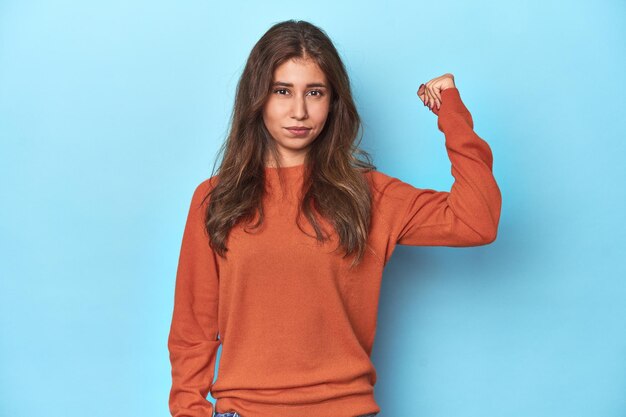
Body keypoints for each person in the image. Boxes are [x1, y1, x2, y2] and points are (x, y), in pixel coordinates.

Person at [167, 19, 502, 417]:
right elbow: (193, 331)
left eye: (314, 92)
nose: (299, 111)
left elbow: (477, 220)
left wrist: (451, 111)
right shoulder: (216, 198)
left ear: (333, 101)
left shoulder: (370, 195)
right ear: (257, 98)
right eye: (282, 91)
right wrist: (189, 410)